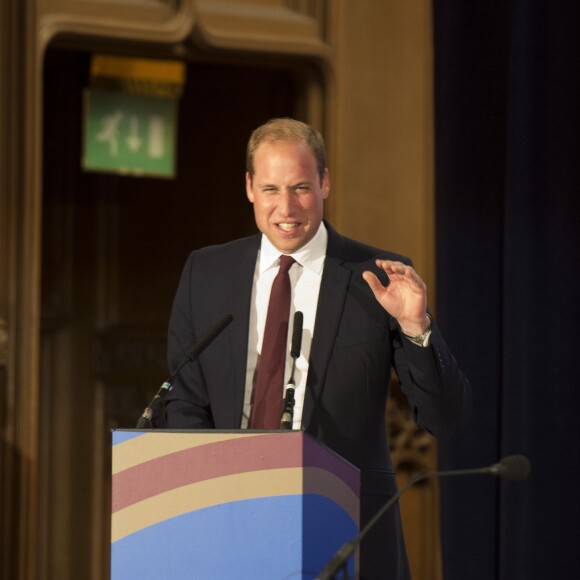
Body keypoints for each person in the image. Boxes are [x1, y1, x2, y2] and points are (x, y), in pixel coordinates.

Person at [163, 118, 471, 579]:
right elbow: (184, 400)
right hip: (230, 524)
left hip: (347, 531)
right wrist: (208, 502)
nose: (285, 207)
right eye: (270, 189)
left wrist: (416, 326)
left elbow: (444, 417)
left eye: (301, 187)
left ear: (325, 183)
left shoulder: (377, 276)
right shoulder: (206, 273)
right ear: (249, 188)